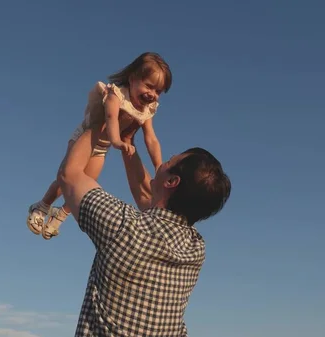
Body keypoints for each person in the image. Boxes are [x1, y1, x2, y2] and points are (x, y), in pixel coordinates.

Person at [58, 121, 231, 336]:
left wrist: (100, 118)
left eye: (168, 162)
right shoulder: (196, 250)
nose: (161, 164)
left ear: (172, 182)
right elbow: (150, 199)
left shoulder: (122, 226)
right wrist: (128, 144)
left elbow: (70, 175)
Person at [27, 52, 172, 240]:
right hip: (85, 137)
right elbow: (110, 118)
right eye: (149, 86)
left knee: (86, 182)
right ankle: (42, 206)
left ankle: (61, 214)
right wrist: (117, 141)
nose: (152, 94)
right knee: (66, 178)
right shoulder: (117, 95)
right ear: (133, 79)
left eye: (158, 91)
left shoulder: (148, 109)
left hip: (101, 148)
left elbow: (151, 138)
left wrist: (159, 166)